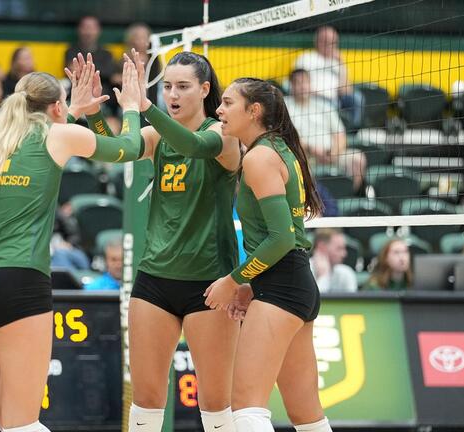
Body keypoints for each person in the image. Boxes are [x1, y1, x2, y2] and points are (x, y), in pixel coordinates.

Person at [0, 56, 144, 432]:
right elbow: (130, 148)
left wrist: (72, 110)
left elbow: (42, 150)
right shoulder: (57, 135)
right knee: (21, 423)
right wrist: (132, 107)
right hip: (18, 279)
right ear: (56, 107)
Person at [82, 50, 241, 432]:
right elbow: (116, 150)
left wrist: (145, 106)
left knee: (217, 405)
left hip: (210, 283)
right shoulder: (157, 135)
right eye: (167, 86)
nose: (174, 94)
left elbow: (193, 145)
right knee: (145, 402)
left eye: (183, 87)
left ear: (205, 90)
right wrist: (92, 114)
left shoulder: (223, 135)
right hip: (155, 279)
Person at [205, 77, 331, 432]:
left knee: (246, 409)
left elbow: (281, 239)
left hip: (282, 287)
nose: (219, 110)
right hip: (294, 286)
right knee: (307, 416)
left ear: (254, 110)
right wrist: (251, 285)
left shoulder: (259, 157)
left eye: (228, 103)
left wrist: (234, 280)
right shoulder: (278, 149)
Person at [285, 69, 365, 190]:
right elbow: (287, 138)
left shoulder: (324, 105)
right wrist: (311, 149)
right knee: (299, 166)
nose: (303, 86)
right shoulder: (285, 106)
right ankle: (311, 204)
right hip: (303, 156)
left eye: (305, 82)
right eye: (298, 83)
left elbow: (340, 135)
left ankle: (350, 199)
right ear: (291, 86)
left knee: (358, 159)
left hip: (331, 154)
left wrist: (334, 153)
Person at [294, 26, 362, 126]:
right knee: (332, 104)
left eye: (333, 42)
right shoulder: (306, 58)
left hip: (336, 99)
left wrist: (341, 63)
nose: (331, 46)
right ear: (318, 42)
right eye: (327, 42)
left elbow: (346, 91)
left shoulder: (337, 62)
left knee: (357, 98)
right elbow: (297, 84)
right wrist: (319, 95)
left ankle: (353, 131)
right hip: (314, 97)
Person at [64, 16, 116, 112]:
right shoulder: (71, 51)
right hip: (77, 98)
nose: (88, 32)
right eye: (85, 28)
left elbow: (109, 73)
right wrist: (100, 72)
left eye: (91, 28)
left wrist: (85, 70)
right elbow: (72, 73)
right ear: (79, 30)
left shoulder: (107, 54)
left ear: (98, 30)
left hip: (103, 100)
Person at [310, 228, 357, 293]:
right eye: (339, 249)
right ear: (322, 247)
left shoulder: (346, 273)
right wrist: (323, 277)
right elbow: (314, 302)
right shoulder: (303, 271)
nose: (344, 254)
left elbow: (353, 302)